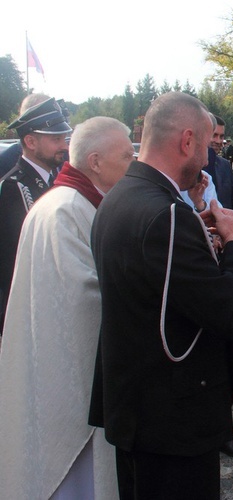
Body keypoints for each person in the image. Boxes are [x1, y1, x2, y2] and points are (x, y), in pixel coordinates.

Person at [88, 92, 233, 499]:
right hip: (172, 417)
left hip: (134, 407)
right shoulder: (167, 214)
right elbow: (231, 313)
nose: (206, 157)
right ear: (186, 141)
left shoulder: (119, 197)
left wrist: (193, 237)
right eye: (204, 144)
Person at [0, 116, 132, 500]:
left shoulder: (74, 202)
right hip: (69, 380)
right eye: (126, 156)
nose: (133, 164)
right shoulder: (66, 209)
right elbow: (86, 298)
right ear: (95, 161)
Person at [0, 97, 71, 335]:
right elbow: (14, 263)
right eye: (56, 139)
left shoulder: (54, 182)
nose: (64, 146)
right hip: (29, 314)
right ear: (30, 141)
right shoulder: (13, 188)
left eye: (64, 138)